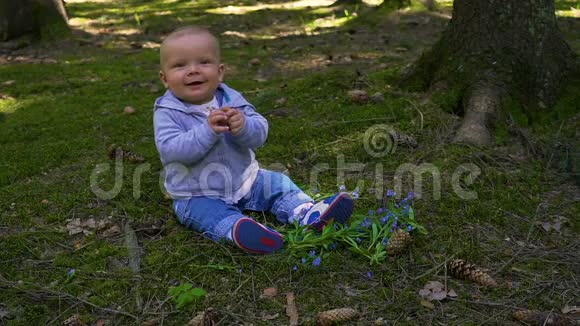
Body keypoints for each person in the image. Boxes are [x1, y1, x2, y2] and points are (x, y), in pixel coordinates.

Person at [153, 26, 354, 254]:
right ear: (165, 78)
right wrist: (207, 131)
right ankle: (239, 230)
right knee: (208, 214)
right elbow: (171, 152)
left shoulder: (232, 99)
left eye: (203, 62)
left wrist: (244, 126)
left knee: (277, 184)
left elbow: (259, 133)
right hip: (197, 193)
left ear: (219, 72)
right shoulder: (167, 112)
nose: (193, 71)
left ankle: (307, 212)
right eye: (180, 65)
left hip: (245, 180)